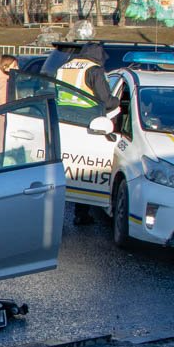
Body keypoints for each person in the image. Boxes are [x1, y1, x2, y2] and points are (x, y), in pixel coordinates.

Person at [51, 43, 117, 224]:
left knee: (62, 166)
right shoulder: (94, 70)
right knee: (84, 170)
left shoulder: (64, 66)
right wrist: (117, 102)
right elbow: (106, 101)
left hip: (61, 122)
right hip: (86, 123)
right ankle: (81, 214)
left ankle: (53, 214)